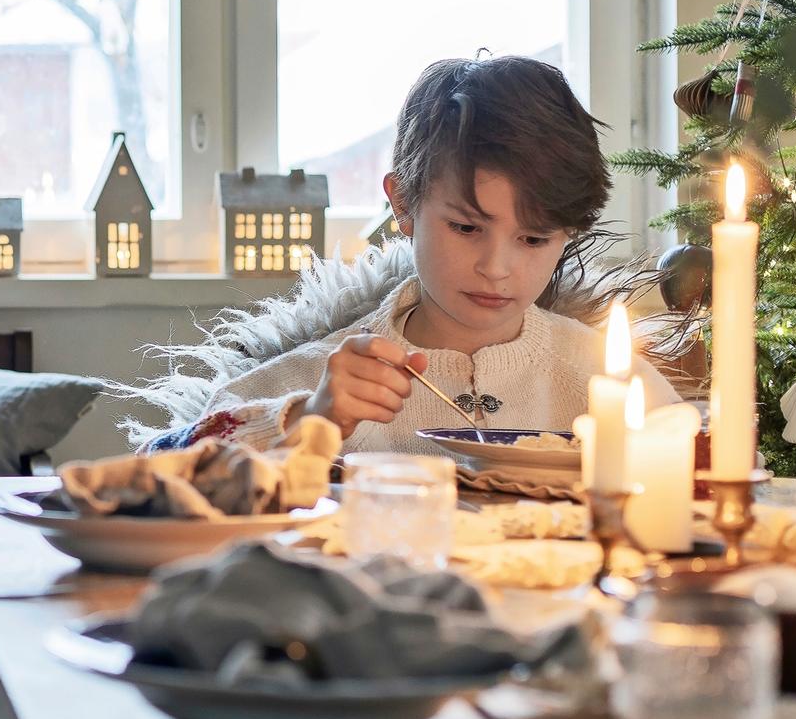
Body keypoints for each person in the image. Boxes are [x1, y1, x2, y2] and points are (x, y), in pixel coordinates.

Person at [125, 57, 681, 454]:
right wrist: (308, 421)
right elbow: (162, 470)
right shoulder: (317, 380)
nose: (497, 266)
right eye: (466, 226)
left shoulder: (609, 380)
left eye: (534, 239)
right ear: (403, 204)